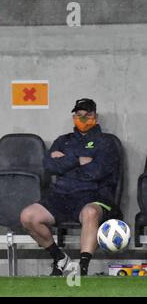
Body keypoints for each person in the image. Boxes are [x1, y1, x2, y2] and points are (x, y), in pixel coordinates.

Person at [20, 98, 120, 276]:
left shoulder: (107, 142)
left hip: (92, 195)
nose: (82, 119)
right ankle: (59, 258)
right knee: (28, 216)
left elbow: (97, 172)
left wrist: (65, 161)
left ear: (95, 116)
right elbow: (50, 166)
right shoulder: (62, 141)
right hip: (61, 195)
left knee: (91, 213)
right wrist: (78, 160)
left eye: (87, 115)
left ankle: (82, 268)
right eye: (78, 115)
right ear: (74, 116)